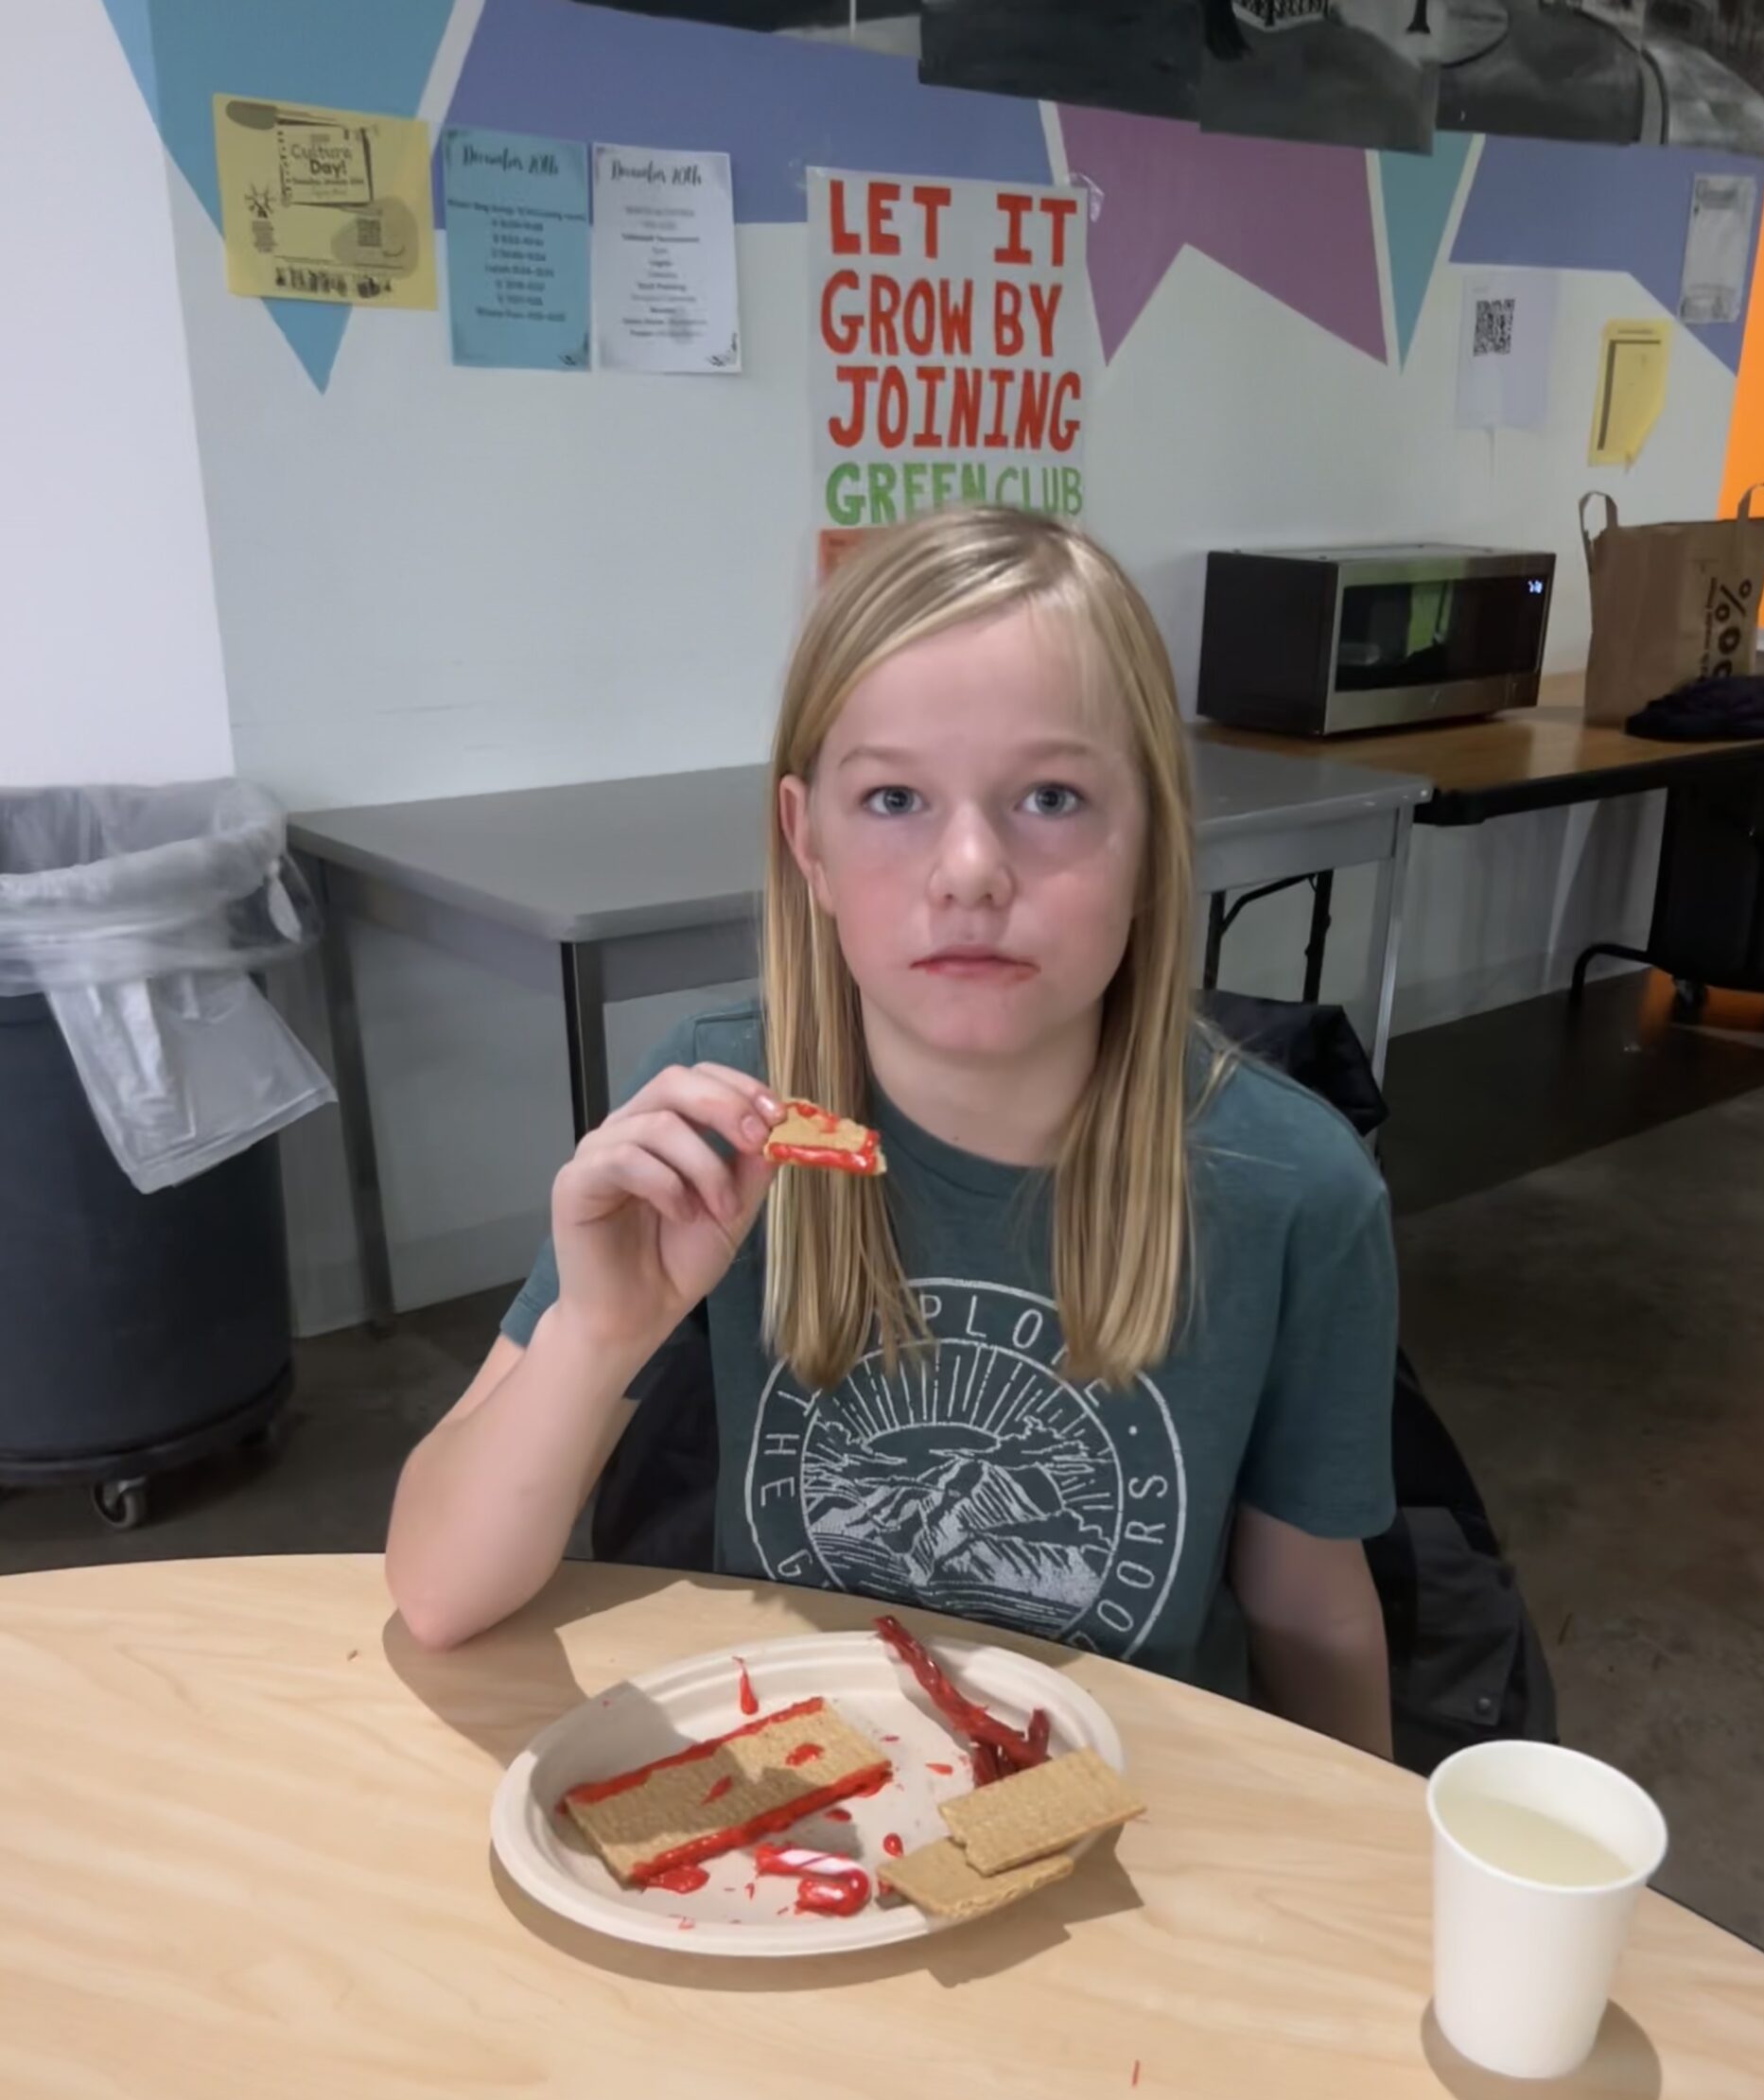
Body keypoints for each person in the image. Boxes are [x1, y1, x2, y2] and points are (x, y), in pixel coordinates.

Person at [388, 507, 1398, 1755]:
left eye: (1051, 795)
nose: (970, 868)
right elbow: (438, 1591)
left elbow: (1314, 1614)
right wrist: (598, 1333)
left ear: (1152, 839)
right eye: (896, 798)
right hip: (803, 1793)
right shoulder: (712, 1111)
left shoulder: (1292, 1188)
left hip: (1139, 1818)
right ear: (804, 840)